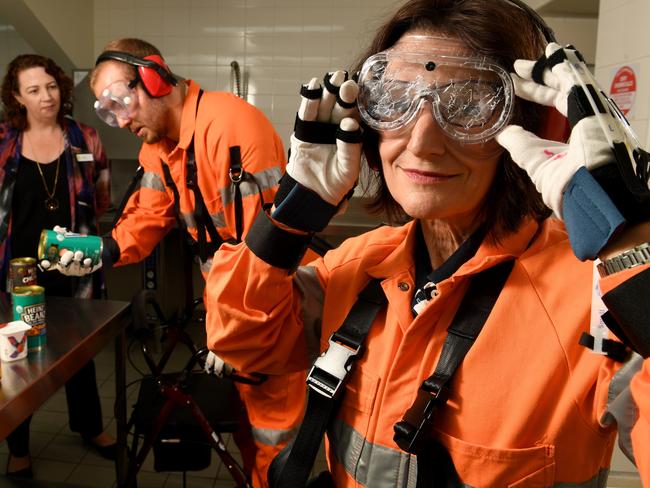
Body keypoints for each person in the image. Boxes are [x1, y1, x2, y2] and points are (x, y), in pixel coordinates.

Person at [204, 0, 650, 486]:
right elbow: (241, 341)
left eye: (469, 106)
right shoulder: (361, 265)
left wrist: (632, 243)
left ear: (535, 127)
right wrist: (288, 221)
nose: (421, 143)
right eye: (394, 100)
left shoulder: (594, 300)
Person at [79, 38, 308, 488]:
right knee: (245, 425)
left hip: (269, 311)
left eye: (121, 103)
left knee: (273, 437)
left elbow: (262, 257)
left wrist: (234, 333)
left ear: (154, 77)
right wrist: (100, 251)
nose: (121, 120)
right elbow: (146, 216)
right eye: (107, 112)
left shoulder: (233, 128)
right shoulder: (159, 148)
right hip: (231, 305)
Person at [0, 54, 115, 478]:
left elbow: (101, 199)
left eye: (51, 86)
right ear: (17, 96)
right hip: (18, 274)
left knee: (79, 353)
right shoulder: (3, 143)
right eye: (33, 90)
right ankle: (19, 445)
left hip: (74, 268)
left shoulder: (85, 138)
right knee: (20, 360)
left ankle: (89, 427)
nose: (46, 96)